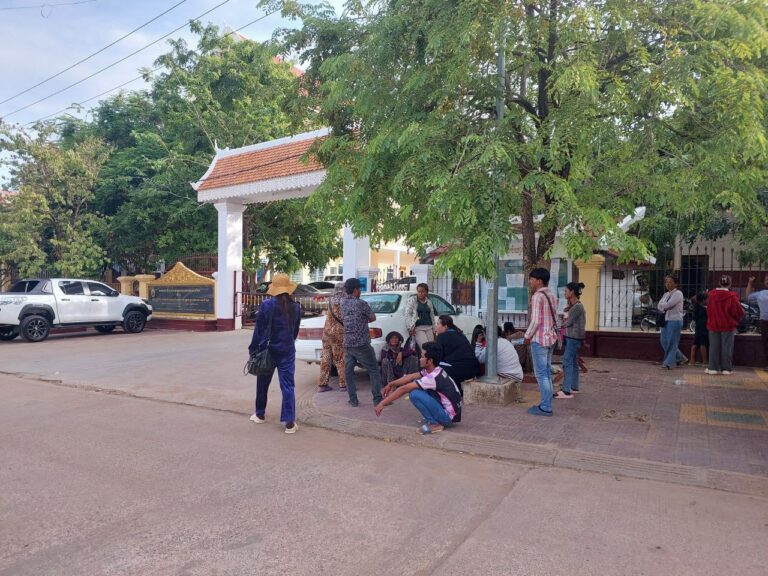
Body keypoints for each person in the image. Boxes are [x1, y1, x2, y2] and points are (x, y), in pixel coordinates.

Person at [248, 273, 302, 434]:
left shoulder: (266, 305)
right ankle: (290, 423)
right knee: (288, 386)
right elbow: (295, 331)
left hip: (267, 350)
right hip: (286, 351)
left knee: (262, 383)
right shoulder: (296, 307)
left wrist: (253, 349)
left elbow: (259, 331)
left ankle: (260, 414)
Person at [374, 342, 462, 435]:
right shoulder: (435, 370)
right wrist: (391, 383)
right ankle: (435, 418)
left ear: (430, 361)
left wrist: (382, 403)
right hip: (452, 414)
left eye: (423, 357)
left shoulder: (432, 378)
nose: (420, 359)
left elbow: (404, 389)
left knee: (414, 394)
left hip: (447, 418)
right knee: (420, 389)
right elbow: (410, 377)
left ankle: (435, 423)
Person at [340, 278, 383, 407]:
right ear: (355, 290)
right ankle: (377, 399)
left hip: (348, 342)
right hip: (362, 343)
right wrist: (363, 322)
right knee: (374, 370)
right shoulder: (361, 304)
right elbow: (373, 317)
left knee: (348, 371)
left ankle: (353, 399)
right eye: (359, 289)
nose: (361, 292)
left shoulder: (343, 303)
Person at [524, 267, 559, 416]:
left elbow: (536, 320)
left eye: (531, 279)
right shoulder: (551, 294)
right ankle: (546, 403)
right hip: (551, 337)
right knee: (546, 372)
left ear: (539, 281)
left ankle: (545, 406)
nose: (530, 281)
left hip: (539, 339)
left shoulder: (538, 296)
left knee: (542, 374)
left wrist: (527, 336)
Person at [706, 275, 744, 375]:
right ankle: (726, 369)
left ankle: (713, 368)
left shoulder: (711, 295)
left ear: (719, 283)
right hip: (728, 325)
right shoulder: (732, 296)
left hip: (714, 324)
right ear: (730, 283)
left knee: (714, 347)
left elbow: (708, 310)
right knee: (727, 348)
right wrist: (735, 321)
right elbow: (738, 312)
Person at [435, 315, 480, 395]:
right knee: (452, 363)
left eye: (438, 324)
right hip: (474, 369)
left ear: (445, 326)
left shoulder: (441, 337)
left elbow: (438, 357)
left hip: (460, 371)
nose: (436, 326)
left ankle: (446, 392)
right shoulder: (461, 334)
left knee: (436, 365)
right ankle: (457, 389)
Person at [556, 281, 586, 398]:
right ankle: (574, 387)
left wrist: (559, 325)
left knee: (567, 362)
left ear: (572, 292)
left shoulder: (577, 307)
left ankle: (566, 390)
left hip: (573, 338)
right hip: (572, 338)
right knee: (573, 362)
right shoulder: (574, 306)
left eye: (566, 291)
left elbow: (568, 323)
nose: (564, 293)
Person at [318, 282, 346, 392]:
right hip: (338, 332)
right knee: (339, 358)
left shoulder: (331, 299)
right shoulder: (344, 300)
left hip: (327, 331)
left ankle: (322, 384)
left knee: (325, 357)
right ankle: (343, 384)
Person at [657, 275, 688, 370]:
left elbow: (669, 305)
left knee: (672, 342)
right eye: (666, 282)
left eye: (670, 282)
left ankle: (668, 363)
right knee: (664, 341)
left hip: (674, 320)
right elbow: (659, 305)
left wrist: (663, 306)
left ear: (675, 283)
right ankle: (680, 358)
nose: (668, 284)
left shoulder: (678, 293)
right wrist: (663, 306)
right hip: (665, 320)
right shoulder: (666, 294)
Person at [746, 275, 768, 369]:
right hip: (764, 322)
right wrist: (750, 283)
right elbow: (748, 297)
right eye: (766, 279)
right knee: (766, 343)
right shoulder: (761, 293)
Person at [405, 283, 436, 347]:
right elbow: (408, 314)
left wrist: (434, 329)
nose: (420, 293)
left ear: (426, 292)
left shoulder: (429, 302)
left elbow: (432, 316)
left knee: (431, 347)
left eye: (422, 292)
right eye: (419, 291)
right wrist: (409, 327)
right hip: (418, 328)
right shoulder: (413, 300)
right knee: (424, 347)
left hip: (429, 327)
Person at [690, 291, 709, 367]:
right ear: (703, 300)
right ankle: (704, 361)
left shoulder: (696, 307)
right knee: (703, 343)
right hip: (703, 327)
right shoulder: (704, 309)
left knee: (695, 343)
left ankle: (692, 360)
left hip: (697, 327)